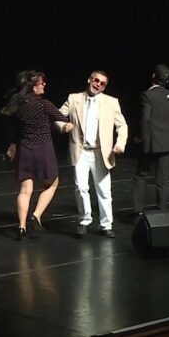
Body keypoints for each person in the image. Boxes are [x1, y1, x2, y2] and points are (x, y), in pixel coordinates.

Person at [56, 71, 128, 239]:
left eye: (102, 83)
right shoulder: (74, 99)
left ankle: (106, 225)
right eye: (96, 80)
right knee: (81, 187)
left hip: (101, 152)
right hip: (80, 150)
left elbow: (122, 126)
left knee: (104, 190)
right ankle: (84, 220)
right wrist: (62, 126)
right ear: (89, 79)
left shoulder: (111, 102)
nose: (98, 84)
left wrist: (120, 143)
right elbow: (57, 116)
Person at [4, 71, 72, 240]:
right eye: (41, 83)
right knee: (53, 183)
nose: (44, 85)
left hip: (26, 149)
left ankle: (21, 226)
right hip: (44, 149)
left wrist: (12, 144)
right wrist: (68, 125)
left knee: (25, 189)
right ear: (34, 88)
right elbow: (62, 117)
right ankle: (36, 215)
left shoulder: (18, 106)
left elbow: (12, 126)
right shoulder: (44, 104)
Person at [133, 64, 169, 216]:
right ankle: (161, 210)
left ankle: (138, 210)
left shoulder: (147, 95)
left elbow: (145, 119)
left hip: (150, 142)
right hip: (167, 143)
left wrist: (140, 136)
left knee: (141, 175)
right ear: (167, 80)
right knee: (162, 179)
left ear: (153, 76)